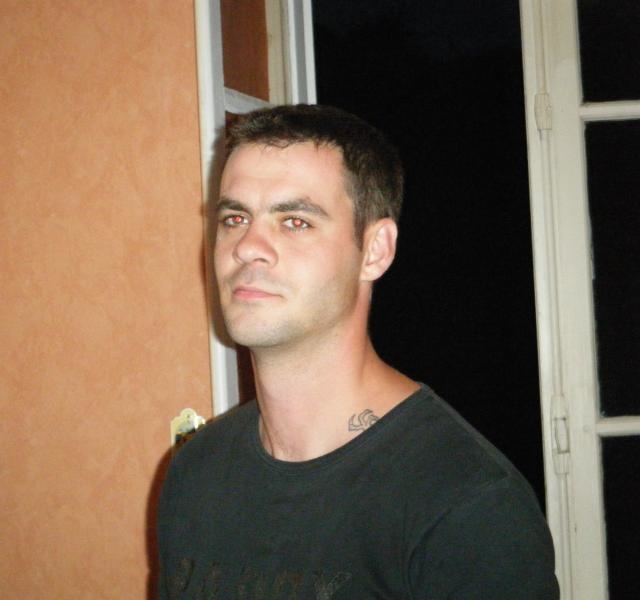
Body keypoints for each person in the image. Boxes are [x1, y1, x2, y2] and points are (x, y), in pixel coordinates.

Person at [157, 104, 558, 599]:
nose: (247, 247)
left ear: (375, 250)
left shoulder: (465, 502)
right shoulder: (196, 473)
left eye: (295, 221)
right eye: (235, 217)